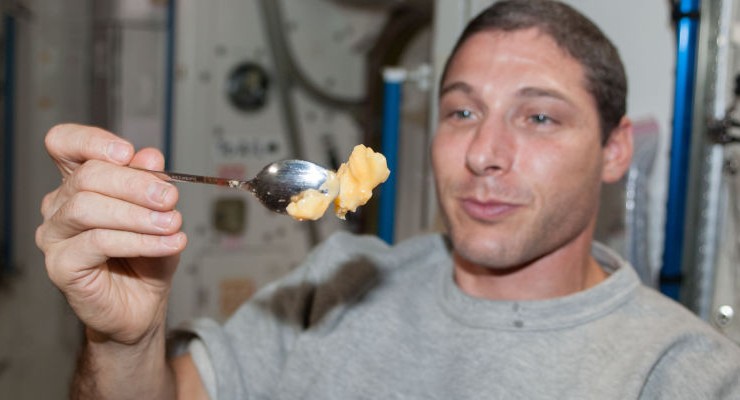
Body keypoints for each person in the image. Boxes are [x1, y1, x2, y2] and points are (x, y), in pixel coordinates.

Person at [36, 0, 740, 398]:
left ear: (615, 149)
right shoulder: (335, 285)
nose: (482, 152)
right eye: (462, 111)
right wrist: (125, 341)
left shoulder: (683, 373)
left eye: (538, 117)